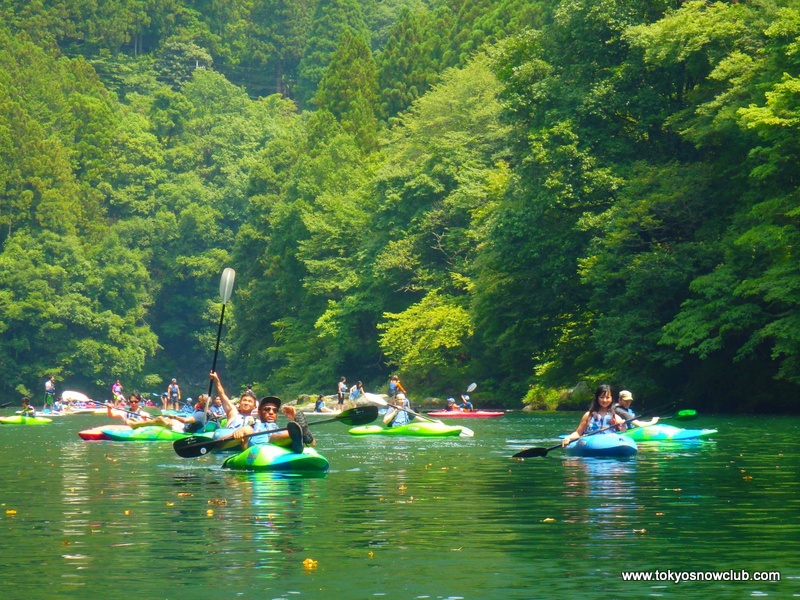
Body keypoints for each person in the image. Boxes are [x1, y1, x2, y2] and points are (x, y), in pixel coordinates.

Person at [231, 396, 314, 453]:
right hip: (260, 450)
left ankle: (301, 432)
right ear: (259, 412)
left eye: (275, 410)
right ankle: (301, 432)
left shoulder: (283, 430)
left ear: (277, 414)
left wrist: (293, 419)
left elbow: (312, 443)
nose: (271, 412)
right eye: (267, 409)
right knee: (275, 436)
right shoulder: (250, 428)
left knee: (287, 431)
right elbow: (221, 445)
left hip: (280, 446)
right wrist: (237, 434)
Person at [562, 384, 628, 447]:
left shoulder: (614, 416)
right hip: (591, 443)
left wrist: (623, 424)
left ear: (611, 399)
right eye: (602, 397)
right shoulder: (588, 415)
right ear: (597, 398)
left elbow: (623, 429)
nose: (605, 400)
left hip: (608, 443)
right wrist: (568, 438)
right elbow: (578, 433)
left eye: (608, 397)